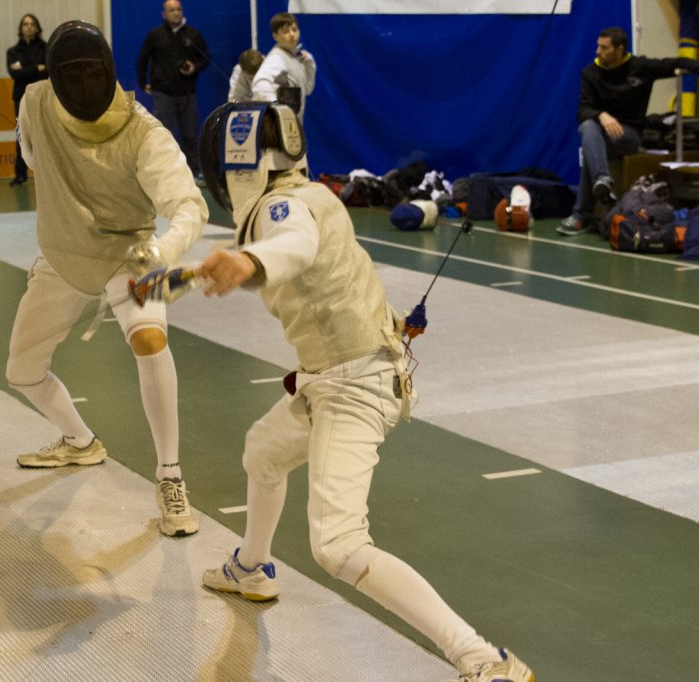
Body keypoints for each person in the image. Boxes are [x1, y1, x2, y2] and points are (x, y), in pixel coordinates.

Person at [188, 101, 534, 681]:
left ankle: (482, 660)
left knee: (339, 546)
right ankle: (251, 566)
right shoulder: (313, 194)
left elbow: (295, 243)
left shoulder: (279, 207)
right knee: (263, 452)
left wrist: (249, 259)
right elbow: (323, 264)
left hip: (352, 385)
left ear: (241, 164)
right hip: (342, 373)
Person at [9, 20, 208, 537]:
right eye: (70, 74)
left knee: (149, 340)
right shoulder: (35, 102)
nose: (80, 84)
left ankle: (170, 476)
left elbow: (189, 206)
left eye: (89, 73)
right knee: (22, 372)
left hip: (129, 257)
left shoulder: (144, 132)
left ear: (108, 72)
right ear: (54, 76)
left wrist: (161, 251)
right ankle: (80, 442)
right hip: (63, 255)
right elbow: (32, 157)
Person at [557, 26, 699, 236]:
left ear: (619, 49)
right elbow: (583, 110)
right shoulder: (590, 73)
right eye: (598, 46)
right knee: (588, 127)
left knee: (591, 143)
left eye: (604, 48)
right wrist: (602, 115)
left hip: (629, 136)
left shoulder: (641, 67)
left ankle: (581, 214)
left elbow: (678, 62)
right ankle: (601, 182)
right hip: (600, 135)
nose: (598, 51)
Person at [136, 0, 210, 181]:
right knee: (163, 134)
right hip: (163, 94)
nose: (176, 13)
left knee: (190, 135)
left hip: (187, 94)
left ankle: (194, 172)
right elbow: (143, 59)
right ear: (164, 14)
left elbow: (206, 57)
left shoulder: (193, 35)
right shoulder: (155, 35)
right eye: (171, 10)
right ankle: (165, 172)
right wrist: (143, 82)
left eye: (178, 9)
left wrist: (194, 67)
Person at [5, 14, 48, 187]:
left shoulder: (47, 49)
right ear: (21, 28)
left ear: (37, 27)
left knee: (45, 134)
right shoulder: (13, 52)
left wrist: (26, 70)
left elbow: (48, 71)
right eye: (25, 24)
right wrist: (37, 68)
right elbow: (15, 74)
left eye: (32, 24)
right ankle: (20, 174)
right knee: (22, 135)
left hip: (42, 97)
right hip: (20, 98)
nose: (29, 27)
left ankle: (47, 173)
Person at [251, 13, 316, 122]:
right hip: (277, 125)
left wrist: (310, 63)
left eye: (294, 30)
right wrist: (277, 107)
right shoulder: (277, 57)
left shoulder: (294, 57)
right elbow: (259, 84)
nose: (292, 34)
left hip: (292, 124)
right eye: (285, 31)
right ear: (275, 36)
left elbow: (307, 89)